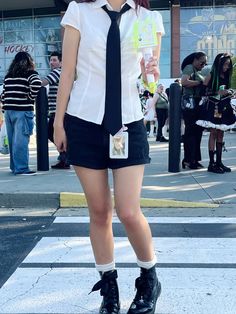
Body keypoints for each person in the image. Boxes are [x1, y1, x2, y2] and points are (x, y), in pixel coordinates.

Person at [53, 0, 164, 313]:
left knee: (128, 211)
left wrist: (149, 76)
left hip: (128, 122)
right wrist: (59, 122)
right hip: (83, 122)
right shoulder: (80, 11)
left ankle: (149, 279)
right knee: (100, 211)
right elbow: (68, 72)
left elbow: (150, 84)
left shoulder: (148, 18)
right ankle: (109, 289)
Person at [1, 52, 41, 175]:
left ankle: (15, 167)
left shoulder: (9, 75)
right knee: (21, 141)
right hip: (22, 111)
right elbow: (37, 83)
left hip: (8, 111)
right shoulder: (30, 74)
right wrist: (30, 96)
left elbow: (4, 93)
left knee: (13, 141)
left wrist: (5, 106)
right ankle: (22, 168)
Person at [196, 53, 235, 173]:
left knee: (221, 133)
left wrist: (230, 92)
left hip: (224, 107)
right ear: (219, 63)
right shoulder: (211, 75)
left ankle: (219, 162)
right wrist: (218, 92)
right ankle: (211, 164)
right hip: (214, 107)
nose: (227, 67)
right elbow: (202, 91)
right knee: (213, 133)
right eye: (225, 64)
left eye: (229, 65)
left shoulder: (226, 75)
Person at [41, 51, 70, 169]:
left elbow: (44, 82)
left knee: (50, 133)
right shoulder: (60, 73)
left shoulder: (57, 72)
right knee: (53, 134)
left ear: (61, 62)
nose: (51, 62)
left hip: (58, 112)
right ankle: (64, 156)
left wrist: (31, 81)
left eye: (54, 60)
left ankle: (65, 155)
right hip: (58, 111)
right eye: (51, 60)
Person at [181, 51, 207, 169]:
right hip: (190, 103)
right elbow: (184, 82)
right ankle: (188, 159)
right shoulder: (189, 67)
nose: (203, 65)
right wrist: (199, 82)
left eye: (205, 63)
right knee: (191, 132)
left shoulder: (198, 71)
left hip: (197, 103)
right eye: (202, 62)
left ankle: (195, 159)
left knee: (198, 132)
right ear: (195, 60)